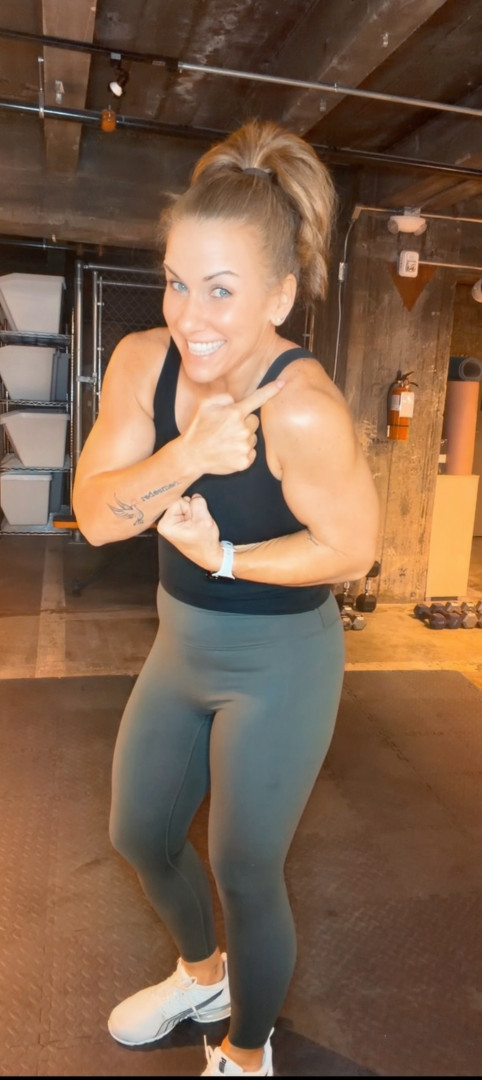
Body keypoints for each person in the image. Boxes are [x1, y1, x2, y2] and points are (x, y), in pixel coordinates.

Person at [72, 117, 379, 1077]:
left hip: (281, 664)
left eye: (220, 289)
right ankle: (203, 976)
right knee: (139, 832)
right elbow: (96, 519)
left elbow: (354, 549)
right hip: (181, 646)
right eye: (176, 282)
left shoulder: (303, 407)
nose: (189, 315)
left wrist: (230, 559)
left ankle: (246, 1055)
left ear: (279, 295)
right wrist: (188, 454)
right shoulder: (142, 363)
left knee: (245, 867)